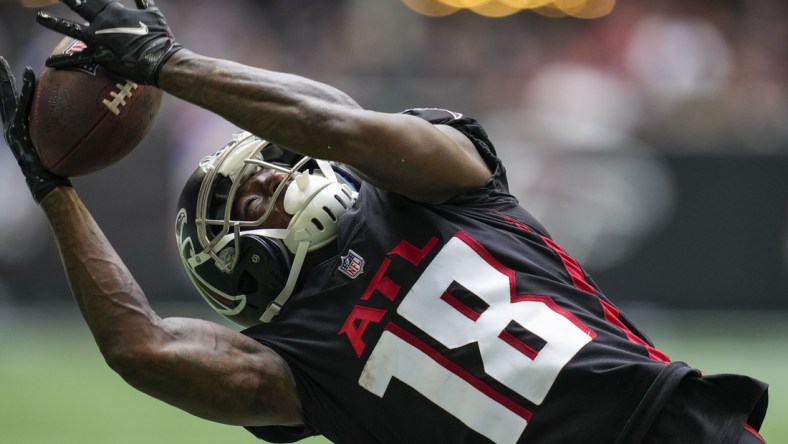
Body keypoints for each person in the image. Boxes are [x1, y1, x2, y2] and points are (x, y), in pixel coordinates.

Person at [0, 1, 769, 443]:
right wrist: (52, 187)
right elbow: (142, 347)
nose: (270, 186)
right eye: (247, 201)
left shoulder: (442, 187)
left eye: (263, 176)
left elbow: (337, 124)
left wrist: (166, 62)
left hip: (658, 424)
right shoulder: (300, 363)